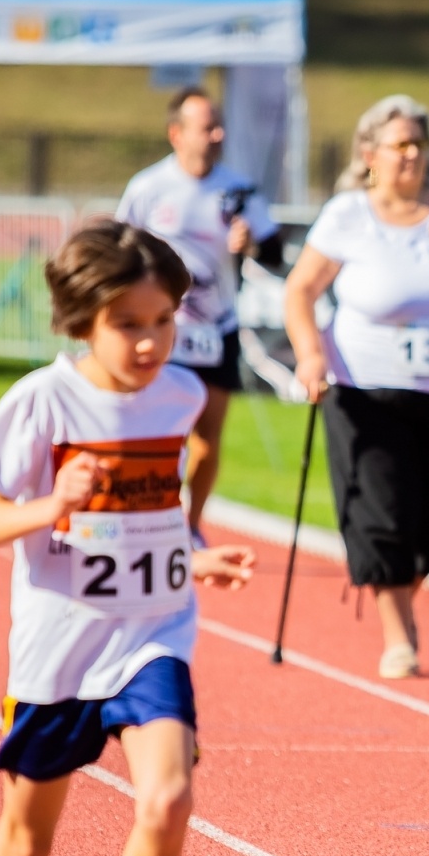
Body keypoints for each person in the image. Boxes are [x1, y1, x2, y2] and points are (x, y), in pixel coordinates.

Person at [0, 221, 257, 856]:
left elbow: (151, 515)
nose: (150, 342)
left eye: (163, 321)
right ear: (82, 318)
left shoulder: (181, 396)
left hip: (152, 635)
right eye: (128, 324)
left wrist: (193, 555)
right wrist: (55, 500)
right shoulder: (42, 402)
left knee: (168, 797)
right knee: (24, 845)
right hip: (59, 652)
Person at [284, 94, 429, 679]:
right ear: (369, 155)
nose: (413, 155)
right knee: (384, 516)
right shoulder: (349, 215)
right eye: (400, 145)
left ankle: (397, 591)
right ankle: (399, 633)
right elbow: (300, 292)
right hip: (365, 392)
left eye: (419, 144)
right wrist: (309, 355)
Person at [116, 86, 284, 547]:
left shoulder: (237, 188)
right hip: (161, 332)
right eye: (206, 127)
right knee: (156, 430)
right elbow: (118, 253)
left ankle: (191, 525)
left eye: (218, 125)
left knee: (208, 436)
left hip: (216, 328)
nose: (218, 134)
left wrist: (249, 240)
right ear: (177, 134)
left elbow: (273, 249)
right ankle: (151, 518)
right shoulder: (148, 188)